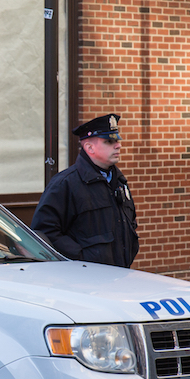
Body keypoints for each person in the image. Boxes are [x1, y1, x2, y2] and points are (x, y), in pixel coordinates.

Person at [31, 113, 139, 267]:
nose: (118, 145)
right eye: (109, 141)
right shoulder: (66, 184)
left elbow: (129, 225)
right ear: (89, 147)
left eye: (117, 140)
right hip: (84, 280)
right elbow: (44, 232)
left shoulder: (119, 182)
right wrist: (82, 258)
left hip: (119, 276)